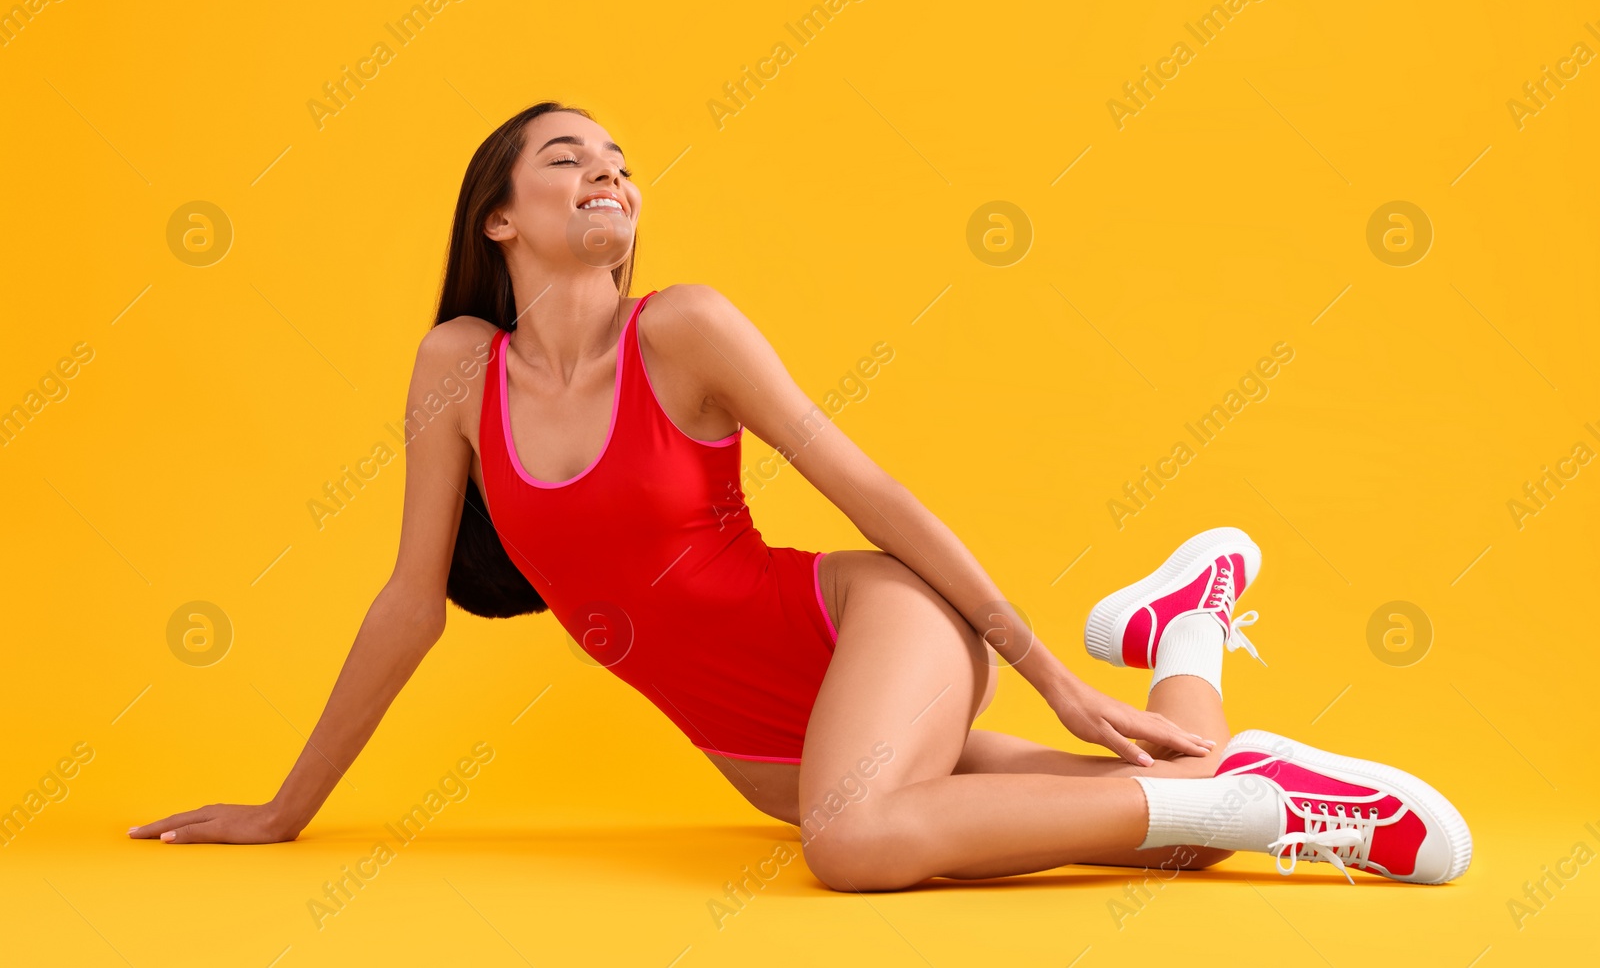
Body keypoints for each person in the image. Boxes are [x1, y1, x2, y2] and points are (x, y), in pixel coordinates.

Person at [130, 101, 1471, 891]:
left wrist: (1044, 672)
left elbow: (870, 490)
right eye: (565, 158)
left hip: (873, 632)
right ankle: (1189, 632)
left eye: (619, 156)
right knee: (1151, 842)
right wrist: (284, 807)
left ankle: (1260, 801)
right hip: (769, 743)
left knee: (856, 844)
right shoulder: (453, 369)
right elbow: (407, 607)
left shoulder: (686, 331)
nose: (607, 168)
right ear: (496, 219)